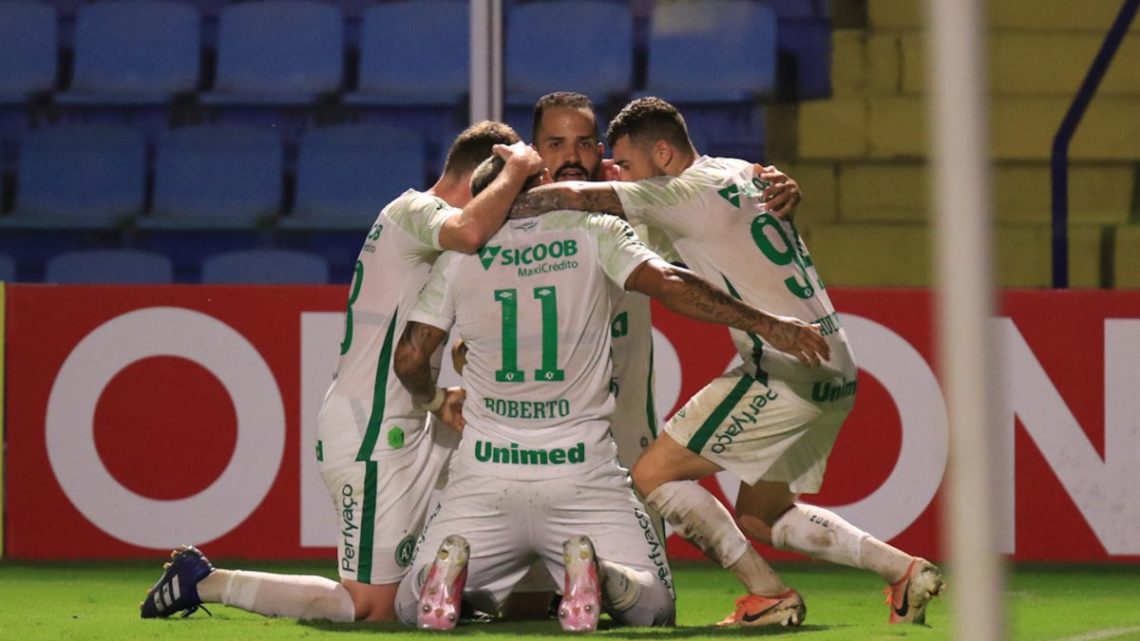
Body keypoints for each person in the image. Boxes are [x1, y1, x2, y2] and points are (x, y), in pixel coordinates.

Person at [504, 96, 945, 628]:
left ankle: (768, 594)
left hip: (783, 365)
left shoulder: (680, 192)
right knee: (762, 516)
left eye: (630, 164)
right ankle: (903, 572)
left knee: (653, 474)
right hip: (836, 366)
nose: (624, 175)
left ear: (663, 153)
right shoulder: (739, 171)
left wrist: (502, 193)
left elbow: (575, 194)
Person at [389, 153, 829, 632]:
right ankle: (602, 574)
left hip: (485, 472)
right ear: (539, 185)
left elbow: (410, 358)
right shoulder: (592, 231)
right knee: (653, 605)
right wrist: (765, 323)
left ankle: (452, 580)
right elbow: (670, 283)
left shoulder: (457, 258)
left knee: (409, 608)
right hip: (582, 471)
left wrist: (436, 400)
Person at [139, 122, 544, 622]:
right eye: (510, 189)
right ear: (484, 175)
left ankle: (468, 590)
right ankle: (207, 580)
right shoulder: (414, 212)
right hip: (371, 432)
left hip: (408, 421)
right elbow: (471, 229)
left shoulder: (431, 237)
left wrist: (442, 396)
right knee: (368, 607)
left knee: (518, 462)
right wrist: (521, 166)